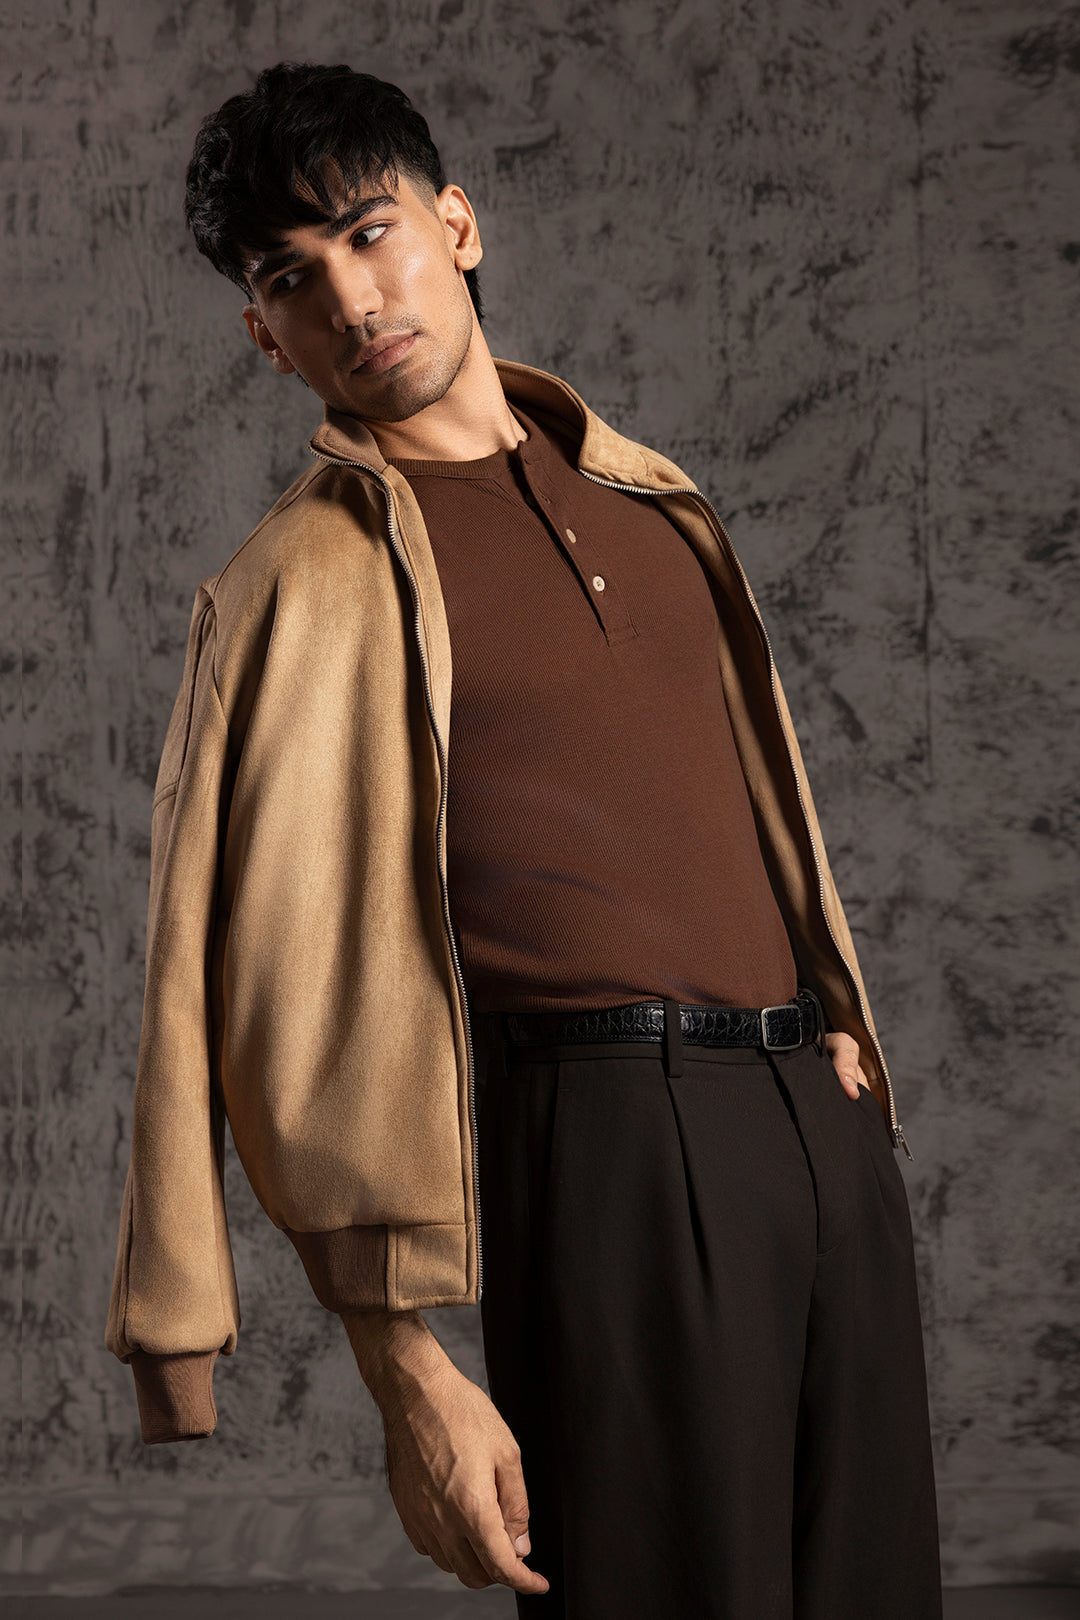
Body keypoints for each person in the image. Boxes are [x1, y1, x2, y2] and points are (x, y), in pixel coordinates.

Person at [104, 60, 942, 1619]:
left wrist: (829, 1027)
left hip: (818, 1132)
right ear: (263, 334)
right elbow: (227, 992)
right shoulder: (298, 585)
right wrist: (404, 1367)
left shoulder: (655, 503)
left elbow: (740, 813)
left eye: (371, 233)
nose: (352, 299)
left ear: (458, 224)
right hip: (604, 1146)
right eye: (292, 278)